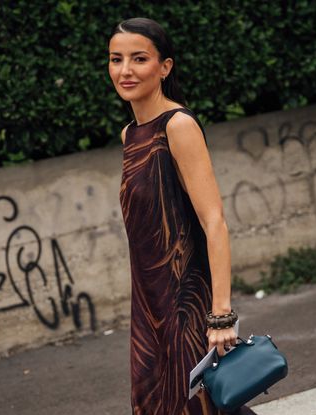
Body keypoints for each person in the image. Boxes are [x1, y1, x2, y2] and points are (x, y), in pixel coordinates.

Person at [108, 17, 257, 415]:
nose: (125, 70)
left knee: (199, 405)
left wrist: (221, 315)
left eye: (139, 58)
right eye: (115, 59)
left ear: (165, 67)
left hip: (185, 307)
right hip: (149, 308)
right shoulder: (129, 135)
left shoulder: (178, 125)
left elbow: (214, 222)